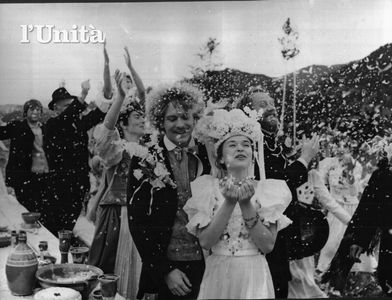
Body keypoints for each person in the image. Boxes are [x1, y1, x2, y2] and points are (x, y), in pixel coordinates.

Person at [184, 108, 292, 299]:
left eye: (246, 145)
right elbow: (206, 242)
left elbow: (267, 245)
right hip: (219, 271)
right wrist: (229, 202)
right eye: (232, 145)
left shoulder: (268, 190)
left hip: (253, 271)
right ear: (220, 157)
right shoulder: (207, 188)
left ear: (253, 154)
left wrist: (245, 204)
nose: (240, 148)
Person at [127, 82, 211, 300]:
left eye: (186, 117)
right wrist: (164, 270)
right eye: (172, 118)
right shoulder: (146, 155)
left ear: (195, 118)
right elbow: (137, 220)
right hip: (165, 267)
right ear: (160, 122)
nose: (181, 124)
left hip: (206, 264)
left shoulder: (207, 153)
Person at [236, 87, 318, 297]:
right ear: (249, 113)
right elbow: (276, 184)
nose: (272, 107)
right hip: (259, 237)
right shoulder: (250, 145)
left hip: (279, 238)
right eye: (263, 105)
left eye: (271, 102)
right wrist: (304, 160)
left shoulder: (272, 143)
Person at [87, 43, 146, 300]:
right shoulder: (117, 147)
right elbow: (106, 129)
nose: (143, 121)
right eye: (138, 119)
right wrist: (120, 97)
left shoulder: (149, 147)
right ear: (126, 122)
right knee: (109, 268)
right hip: (117, 214)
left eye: (144, 118)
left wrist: (133, 67)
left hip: (142, 214)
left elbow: (143, 95)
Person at [44, 80, 108, 235]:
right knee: (60, 224)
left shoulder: (76, 124)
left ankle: (71, 249)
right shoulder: (53, 124)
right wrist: (83, 94)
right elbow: (66, 117)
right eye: (66, 106)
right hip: (60, 183)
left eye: (71, 105)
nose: (72, 110)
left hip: (79, 181)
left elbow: (96, 115)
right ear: (55, 108)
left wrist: (109, 98)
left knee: (74, 222)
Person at [287, 156, 352, 298]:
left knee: (301, 277)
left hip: (302, 232)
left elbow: (328, 201)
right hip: (280, 232)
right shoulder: (280, 169)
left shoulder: (312, 175)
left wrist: (352, 223)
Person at [0, 99, 50, 219]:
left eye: (38, 109)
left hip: (43, 175)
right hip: (25, 176)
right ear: (25, 112)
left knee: (42, 209)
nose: (35, 112)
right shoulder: (17, 126)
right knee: (25, 208)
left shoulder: (44, 128)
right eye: (32, 109)